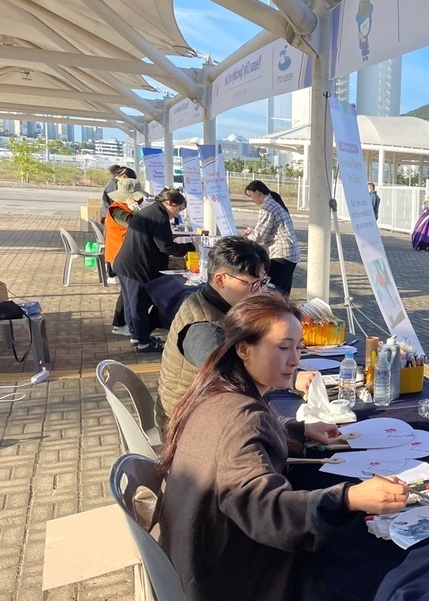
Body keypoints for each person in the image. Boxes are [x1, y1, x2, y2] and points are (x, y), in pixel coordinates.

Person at [157, 292, 408, 601]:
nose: (295, 360)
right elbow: (265, 510)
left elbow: (242, 454)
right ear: (244, 349)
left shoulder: (219, 389)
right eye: (283, 347)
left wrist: (297, 429)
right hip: (221, 577)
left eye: (298, 348)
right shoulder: (241, 416)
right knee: (338, 555)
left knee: (332, 536)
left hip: (195, 551)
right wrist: (351, 497)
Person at [155, 236, 270, 427]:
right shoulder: (204, 329)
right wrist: (289, 378)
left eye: (262, 283)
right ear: (221, 279)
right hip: (185, 425)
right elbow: (237, 384)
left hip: (200, 410)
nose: (258, 292)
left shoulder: (213, 303)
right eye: (252, 284)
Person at [112, 189, 195, 353]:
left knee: (131, 304)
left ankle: (136, 336)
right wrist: (190, 247)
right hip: (136, 267)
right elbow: (166, 247)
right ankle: (143, 342)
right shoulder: (159, 216)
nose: (177, 214)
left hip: (126, 264)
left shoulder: (150, 210)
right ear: (170, 203)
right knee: (139, 305)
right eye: (178, 209)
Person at [105, 179, 150, 337]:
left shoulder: (121, 208)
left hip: (124, 256)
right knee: (129, 294)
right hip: (121, 256)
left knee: (127, 294)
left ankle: (128, 325)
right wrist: (136, 209)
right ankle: (121, 324)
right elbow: (137, 223)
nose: (140, 199)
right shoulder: (117, 210)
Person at [244, 179, 301, 295]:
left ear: (257, 192)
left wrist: (244, 240)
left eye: (251, 196)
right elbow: (268, 229)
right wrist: (254, 232)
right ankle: (284, 311)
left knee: (272, 291)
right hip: (291, 253)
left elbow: (260, 236)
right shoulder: (275, 202)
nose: (252, 200)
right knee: (283, 291)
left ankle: (275, 312)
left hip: (281, 253)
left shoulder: (267, 207)